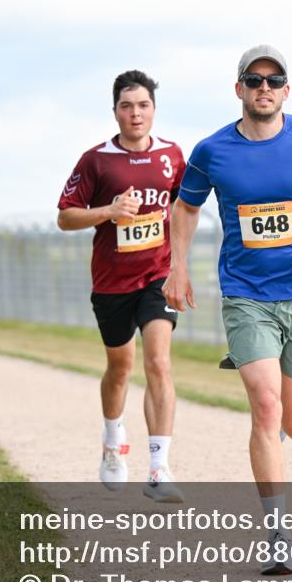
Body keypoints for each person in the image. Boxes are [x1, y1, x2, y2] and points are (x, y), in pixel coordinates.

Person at [163, 45, 292, 574]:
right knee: (265, 408)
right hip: (246, 295)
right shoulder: (212, 151)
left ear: (286, 91)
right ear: (240, 90)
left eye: (274, 81)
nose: (264, 88)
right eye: (254, 80)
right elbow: (184, 207)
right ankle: (277, 533)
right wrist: (177, 265)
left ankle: (274, 404)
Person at [57, 70, 186, 502]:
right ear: (115, 111)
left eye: (143, 105)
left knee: (159, 362)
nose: (136, 113)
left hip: (157, 276)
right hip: (112, 282)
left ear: (153, 110)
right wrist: (108, 211)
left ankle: (158, 467)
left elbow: (186, 207)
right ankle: (113, 439)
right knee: (120, 368)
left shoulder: (171, 155)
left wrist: (180, 266)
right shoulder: (96, 160)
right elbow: (65, 217)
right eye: (127, 106)